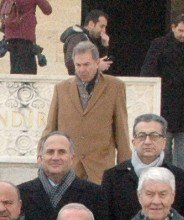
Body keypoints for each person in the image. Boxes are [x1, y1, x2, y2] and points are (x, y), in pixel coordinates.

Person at [45, 42, 130, 184]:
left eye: (86, 64)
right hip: (69, 170)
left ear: (97, 63)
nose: (82, 69)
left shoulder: (115, 86)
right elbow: (50, 128)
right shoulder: (61, 89)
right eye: (78, 65)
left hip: (101, 170)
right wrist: (42, 158)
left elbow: (122, 131)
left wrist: (125, 169)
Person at [139, 14, 184, 170]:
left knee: (183, 142)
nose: (183, 35)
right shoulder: (159, 44)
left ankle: (180, 177)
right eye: (180, 30)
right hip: (165, 103)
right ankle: (165, 174)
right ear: (173, 28)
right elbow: (147, 71)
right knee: (164, 143)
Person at [101, 114, 184, 220]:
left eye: (154, 136)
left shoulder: (181, 178)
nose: (147, 141)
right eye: (141, 136)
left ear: (163, 142)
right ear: (134, 142)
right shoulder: (113, 176)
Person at [18, 132, 109, 220]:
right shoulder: (21, 193)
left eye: (61, 152)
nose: (55, 157)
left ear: (72, 158)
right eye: (50, 152)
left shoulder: (95, 194)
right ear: (41, 157)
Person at [0, 0, 51, 75]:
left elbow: (1, 12)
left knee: (15, 66)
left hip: (11, 36)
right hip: (26, 34)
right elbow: (47, 10)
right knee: (29, 70)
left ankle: (15, 85)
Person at [60, 10, 111, 75]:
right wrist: (96, 66)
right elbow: (70, 62)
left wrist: (104, 45)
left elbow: (100, 62)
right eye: (102, 26)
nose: (104, 30)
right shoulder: (77, 37)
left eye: (105, 27)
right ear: (91, 24)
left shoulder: (88, 38)